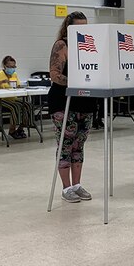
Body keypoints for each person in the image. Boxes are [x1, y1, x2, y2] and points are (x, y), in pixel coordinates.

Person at [48, 12, 96, 203]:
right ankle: (66, 187)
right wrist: (76, 82)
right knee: (65, 145)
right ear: (69, 28)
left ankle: (77, 185)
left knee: (79, 145)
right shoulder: (62, 45)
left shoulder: (90, 45)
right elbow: (54, 74)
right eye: (78, 27)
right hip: (64, 100)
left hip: (86, 101)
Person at [0, 56, 32, 139]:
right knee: (15, 107)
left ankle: (21, 128)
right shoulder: (0, 74)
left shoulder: (14, 74)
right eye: (10, 67)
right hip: (0, 100)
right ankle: (12, 130)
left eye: (14, 67)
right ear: (5, 66)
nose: (12, 69)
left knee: (27, 105)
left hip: (12, 99)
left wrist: (21, 88)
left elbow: (18, 85)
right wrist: (2, 81)